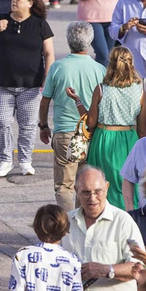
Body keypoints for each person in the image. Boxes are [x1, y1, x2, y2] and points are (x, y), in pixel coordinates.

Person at [0, 0, 55, 178]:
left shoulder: (40, 25)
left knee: (28, 124)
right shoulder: (2, 20)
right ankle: (5, 160)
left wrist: (47, 79)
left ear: (30, 3)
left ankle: (25, 161)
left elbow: (49, 54)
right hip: (3, 83)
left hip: (30, 85)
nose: (14, 0)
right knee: (1, 122)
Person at [40, 22, 104, 210]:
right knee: (86, 184)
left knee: (64, 186)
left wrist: (43, 126)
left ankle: (68, 226)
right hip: (91, 133)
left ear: (68, 41)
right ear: (90, 41)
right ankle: (84, 223)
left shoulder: (58, 67)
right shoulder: (99, 69)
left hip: (65, 132)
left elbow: (45, 101)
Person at [73, 46, 146, 206]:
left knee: (101, 184)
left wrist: (78, 101)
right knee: (127, 184)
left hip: (104, 138)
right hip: (128, 139)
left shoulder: (101, 89)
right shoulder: (140, 91)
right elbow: (142, 129)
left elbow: (90, 123)